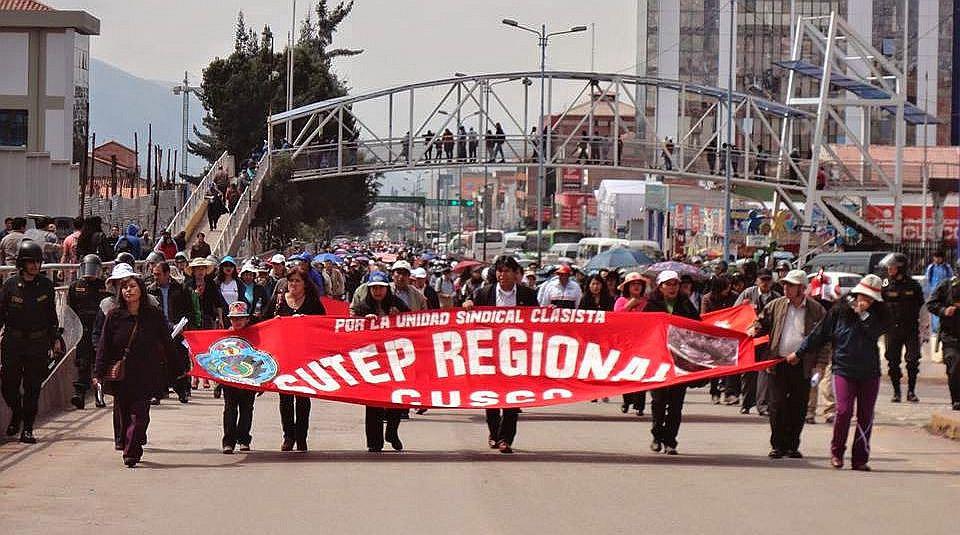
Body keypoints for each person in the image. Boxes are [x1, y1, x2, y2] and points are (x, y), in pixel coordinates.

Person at [791, 275, 889, 471]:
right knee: (843, 411)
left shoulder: (880, 314)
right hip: (843, 368)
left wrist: (864, 314)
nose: (865, 301)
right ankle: (837, 452)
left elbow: (875, 332)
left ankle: (860, 458)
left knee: (865, 415)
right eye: (862, 296)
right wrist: (800, 352)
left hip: (869, 371)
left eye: (870, 299)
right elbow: (820, 334)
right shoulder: (839, 311)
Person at [94, 267, 185, 467]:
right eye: (124, 287)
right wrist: (98, 373)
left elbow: (166, 343)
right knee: (125, 414)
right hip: (122, 375)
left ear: (141, 290)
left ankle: (132, 452)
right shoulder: (114, 316)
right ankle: (129, 443)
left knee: (140, 414)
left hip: (146, 373)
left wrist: (179, 368)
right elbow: (104, 346)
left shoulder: (153, 315)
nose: (128, 290)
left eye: (132, 286)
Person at [462, 256, 538, 453]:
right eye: (499, 271)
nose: (502, 275)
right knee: (491, 396)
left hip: (517, 354)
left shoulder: (527, 295)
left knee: (513, 397)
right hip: (489, 352)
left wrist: (551, 313)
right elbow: (468, 315)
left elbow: (538, 321)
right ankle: (494, 433)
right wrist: (468, 305)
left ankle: (506, 438)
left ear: (516, 274)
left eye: (506, 271)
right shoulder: (484, 293)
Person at [750, 270, 827, 460]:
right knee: (776, 405)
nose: (786, 288)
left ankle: (793, 445)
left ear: (802, 288)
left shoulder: (816, 310)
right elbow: (761, 322)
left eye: (791, 285)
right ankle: (777, 445)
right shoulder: (775, 305)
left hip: (803, 364)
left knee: (798, 406)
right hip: (778, 362)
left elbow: (825, 340)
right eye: (785, 284)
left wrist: (821, 364)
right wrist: (754, 328)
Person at [0, 240, 59, 443]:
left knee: (33, 387)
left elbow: (52, 316)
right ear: (22, 264)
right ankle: (16, 412)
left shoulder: (46, 286)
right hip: (12, 343)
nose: (35, 265)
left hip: (37, 343)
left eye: (38, 261)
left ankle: (27, 428)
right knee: (8, 385)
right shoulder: (9, 286)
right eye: (30, 262)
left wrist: (55, 340)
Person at [350, 271, 409, 452]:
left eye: (381, 288)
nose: (377, 291)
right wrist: (362, 321)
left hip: (393, 358)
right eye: (374, 288)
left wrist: (398, 317)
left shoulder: (397, 304)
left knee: (396, 399)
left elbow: (413, 323)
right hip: (371, 359)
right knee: (373, 401)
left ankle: (392, 431)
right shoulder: (362, 306)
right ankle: (374, 442)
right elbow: (349, 322)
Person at [267, 269, 326, 451]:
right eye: (291, 280)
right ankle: (288, 436)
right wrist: (274, 321)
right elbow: (263, 321)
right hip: (283, 355)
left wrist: (306, 321)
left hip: (304, 356)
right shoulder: (278, 300)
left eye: (297, 281)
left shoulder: (312, 302)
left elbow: (323, 326)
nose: (293, 284)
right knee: (285, 398)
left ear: (305, 284)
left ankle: (301, 437)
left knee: (302, 398)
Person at [643, 270, 699, 455]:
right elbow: (642, 330)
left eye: (675, 283)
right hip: (658, 359)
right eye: (668, 284)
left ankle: (671, 440)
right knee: (658, 401)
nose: (673, 287)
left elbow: (697, 326)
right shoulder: (651, 305)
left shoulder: (686, 304)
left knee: (676, 404)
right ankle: (657, 436)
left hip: (680, 361)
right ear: (660, 287)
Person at [147, 260, 195, 404]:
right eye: (154, 274)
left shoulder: (180, 289)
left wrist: (182, 325)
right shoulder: (150, 291)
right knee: (157, 362)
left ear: (167, 274)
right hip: (159, 331)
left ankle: (183, 390)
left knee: (179, 361)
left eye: (158, 274)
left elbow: (189, 310)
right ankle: (157, 392)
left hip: (177, 330)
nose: (155, 277)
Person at [734, 269, 780, 415]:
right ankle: (746, 403)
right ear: (757, 281)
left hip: (768, 341)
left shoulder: (776, 297)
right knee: (748, 373)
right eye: (762, 280)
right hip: (750, 340)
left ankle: (762, 405)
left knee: (765, 373)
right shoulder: (748, 293)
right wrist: (743, 307)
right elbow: (735, 311)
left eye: (768, 280)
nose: (765, 283)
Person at [879, 253, 924, 403]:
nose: (889, 269)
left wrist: (924, 329)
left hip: (910, 328)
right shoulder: (885, 284)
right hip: (891, 329)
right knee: (892, 361)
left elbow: (922, 306)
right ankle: (896, 391)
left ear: (901, 268)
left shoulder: (913, 285)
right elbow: (878, 305)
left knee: (912, 360)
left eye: (892, 266)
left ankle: (911, 391)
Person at [67, 254, 109, 409]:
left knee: (99, 362)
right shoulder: (75, 286)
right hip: (82, 329)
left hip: (99, 329)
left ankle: (99, 395)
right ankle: (80, 394)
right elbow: (70, 310)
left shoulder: (104, 286)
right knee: (83, 363)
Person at [220, 301, 259, 454]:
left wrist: (260, 381)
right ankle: (228, 441)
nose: (237, 321)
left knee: (246, 409)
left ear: (247, 319)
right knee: (230, 409)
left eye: (240, 318)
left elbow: (260, 357)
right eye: (234, 318)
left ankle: (243, 439)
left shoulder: (255, 336)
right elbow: (217, 360)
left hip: (249, 378)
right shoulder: (224, 338)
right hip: (229, 379)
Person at [925, 261, 960, 411]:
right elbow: (931, 304)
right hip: (951, 335)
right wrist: (944, 311)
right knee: (954, 366)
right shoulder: (946, 286)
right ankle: (957, 399)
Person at [613, 272, 648, 416]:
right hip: (625, 342)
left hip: (643, 340)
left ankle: (640, 405)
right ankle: (627, 400)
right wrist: (631, 304)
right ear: (627, 287)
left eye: (639, 284)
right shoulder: (620, 301)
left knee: (643, 372)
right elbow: (616, 317)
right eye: (633, 284)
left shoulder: (647, 302)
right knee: (626, 372)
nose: (636, 287)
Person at [701, 276, 738, 404]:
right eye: (726, 287)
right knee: (715, 365)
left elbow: (738, 311)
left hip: (730, 335)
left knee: (731, 365)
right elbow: (704, 317)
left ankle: (729, 393)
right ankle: (714, 392)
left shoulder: (734, 296)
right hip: (713, 336)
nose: (729, 289)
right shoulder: (707, 298)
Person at [925, 251, 952, 348]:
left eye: (939, 257)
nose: (937, 259)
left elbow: (951, 281)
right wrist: (928, 295)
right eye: (935, 257)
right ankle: (935, 334)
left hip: (944, 296)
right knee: (934, 316)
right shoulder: (931, 268)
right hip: (934, 294)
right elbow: (927, 281)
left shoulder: (947, 268)